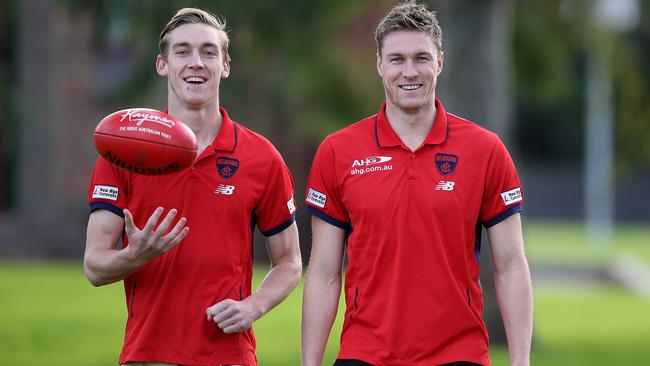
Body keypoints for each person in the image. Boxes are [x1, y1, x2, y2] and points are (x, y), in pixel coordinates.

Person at [301, 1, 532, 365]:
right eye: (397, 59)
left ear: (439, 62)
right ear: (379, 64)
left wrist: (521, 362)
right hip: (365, 353)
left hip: (460, 355)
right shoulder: (337, 151)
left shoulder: (485, 150)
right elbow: (325, 273)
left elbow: (511, 265)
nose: (410, 72)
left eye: (421, 58)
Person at [84, 8, 302, 366]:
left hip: (229, 356)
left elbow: (290, 261)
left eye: (209, 52)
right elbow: (94, 266)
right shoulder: (122, 152)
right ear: (162, 64)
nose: (196, 62)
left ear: (225, 66)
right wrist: (134, 256)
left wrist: (254, 306)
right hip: (147, 355)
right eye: (182, 51)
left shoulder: (262, 158)